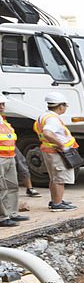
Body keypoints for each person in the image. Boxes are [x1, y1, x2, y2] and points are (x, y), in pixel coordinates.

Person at [35, 92, 78, 212]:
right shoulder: (53, 119)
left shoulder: (44, 115)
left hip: (49, 150)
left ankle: (56, 200)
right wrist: (61, 145)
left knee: (54, 178)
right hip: (56, 152)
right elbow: (47, 133)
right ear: (61, 106)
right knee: (60, 178)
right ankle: (57, 204)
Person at [0, 96, 29, 227]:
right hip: (1, 158)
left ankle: (11, 212)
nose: (2, 106)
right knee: (1, 188)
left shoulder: (3, 120)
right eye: (0, 104)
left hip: (9, 156)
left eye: (3, 104)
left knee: (12, 185)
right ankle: (2, 216)